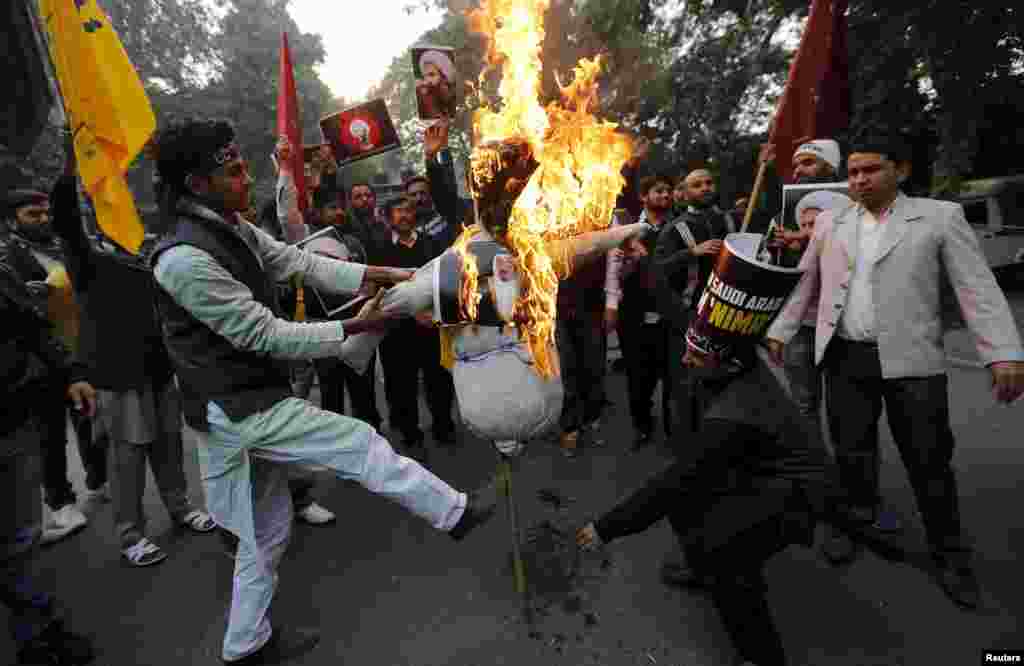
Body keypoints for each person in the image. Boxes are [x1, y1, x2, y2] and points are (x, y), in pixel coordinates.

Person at [148, 118, 498, 665]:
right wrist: (355, 329)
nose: (247, 179)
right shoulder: (183, 258)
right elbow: (262, 332)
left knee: (264, 534)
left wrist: (385, 275)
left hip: (241, 401)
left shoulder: (230, 225)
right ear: (197, 184)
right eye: (235, 170)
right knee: (359, 444)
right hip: (236, 407)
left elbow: (298, 262)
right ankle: (454, 513)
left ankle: (245, 646)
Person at [765, 135, 1024, 609]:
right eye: (855, 171)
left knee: (928, 460)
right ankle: (858, 520)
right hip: (845, 356)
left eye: (872, 170)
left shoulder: (939, 217)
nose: (859, 180)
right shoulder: (832, 220)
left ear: (900, 170)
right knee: (852, 450)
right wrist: (780, 330)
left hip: (913, 360)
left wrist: (1003, 352)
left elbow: (978, 289)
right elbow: (807, 281)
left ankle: (951, 556)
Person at [51, 151, 216, 567]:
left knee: (168, 445)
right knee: (127, 458)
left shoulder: (148, 254)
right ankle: (130, 533)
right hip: (117, 377)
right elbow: (68, 225)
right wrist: (70, 172)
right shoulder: (86, 261)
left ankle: (180, 508)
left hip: (160, 370)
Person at [1, 208, 97, 664]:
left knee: (19, 541)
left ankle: (38, 636)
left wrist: (70, 370)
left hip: (10, 412)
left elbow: (29, 322)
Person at [0, 187, 107, 544]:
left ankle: (98, 478)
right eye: (33, 214)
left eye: (45, 213)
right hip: (38, 362)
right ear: (12, 219)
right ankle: (61, 502)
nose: (43, 219)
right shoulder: (8, 258)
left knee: (89, 419)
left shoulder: (62, 247)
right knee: (50, 435)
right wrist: (27, 294)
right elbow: (19, 319)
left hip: (77, 346)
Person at [654, 168, 736, 438]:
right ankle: (686, 444)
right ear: (685, 193)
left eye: (709, 182)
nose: (704, 188)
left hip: (728, 315)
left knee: (723, 380)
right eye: (697, 185)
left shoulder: (732, 220)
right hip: (689, 316)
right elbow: (658, 270)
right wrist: (691, 253)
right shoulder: (675, 228)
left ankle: (719, 442)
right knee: (686, 384)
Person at [375, 194, 457, 455]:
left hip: (432, 327)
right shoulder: (379, 251)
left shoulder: (432, 245)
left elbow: (445, 281)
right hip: (398, 332)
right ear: (388, 219)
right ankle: (412, 436)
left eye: (407, 210)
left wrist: (433, 312)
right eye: (397, 211)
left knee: (439, 380)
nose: (404, 215)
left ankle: (444, 427)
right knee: (402, 386)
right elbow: (380, 294)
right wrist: (412, 313)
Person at [605, 175, 677, 448]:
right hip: (633, 316)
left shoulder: (679, 228)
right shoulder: (627, 229)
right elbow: (613, 270)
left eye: (669, 190)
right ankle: (642, 426)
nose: (666, 195)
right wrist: (630, 265)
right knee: (638, 377)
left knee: (672, 376)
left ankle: (674, 428)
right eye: (659, 191)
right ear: (644, 197)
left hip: (669, 316)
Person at [775, 190, 853, 426]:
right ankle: (814, 460)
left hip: (840, 332)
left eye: (816, 223)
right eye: (805, 224)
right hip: (802, 331)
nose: (810, 229)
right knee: (803, 403)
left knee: (843, 405)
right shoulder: (792, 247)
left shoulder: (850, 244)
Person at [404, 119, 461, 252]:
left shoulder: (447, 215)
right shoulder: (407, 232)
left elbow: (444, 182)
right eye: (413, 195)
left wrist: (431, 156)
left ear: (431, 195)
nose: (419, 198)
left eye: (423, 193)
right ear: (407, 198)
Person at [415, 49, 457, 120]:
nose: (427, 80)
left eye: (432, 75)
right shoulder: (424, 92)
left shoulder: (452, 96)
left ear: (444, 77)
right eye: (424, 76)